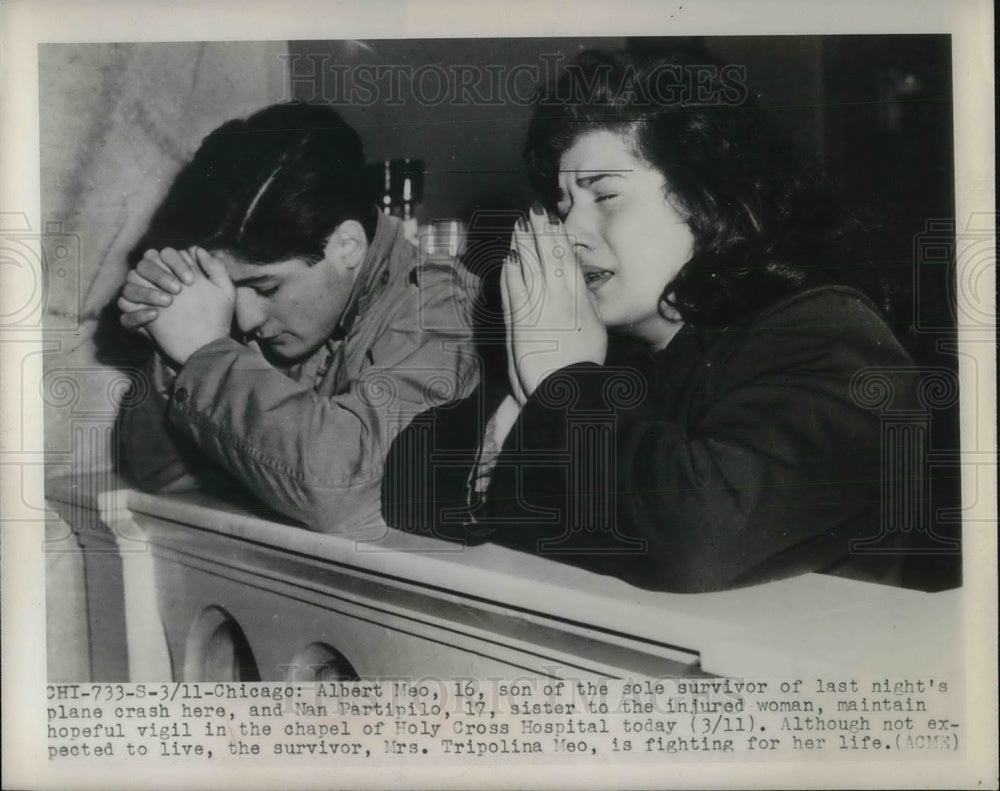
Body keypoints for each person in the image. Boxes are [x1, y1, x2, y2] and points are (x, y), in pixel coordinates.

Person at [382, 51, 919, 592]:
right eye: (564, 205)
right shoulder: (618, 354)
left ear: (706, 197)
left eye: (605, 196)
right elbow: (407, 479)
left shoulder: (832, 339)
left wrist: (562, 386)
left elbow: (696, 538)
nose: (571, 231)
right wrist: (531, 402)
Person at [117, 102, 479, 532]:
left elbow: (342, 495)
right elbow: (164, 475)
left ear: (346, 246)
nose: (245, 320)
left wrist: (206, 354)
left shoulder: (436, 306)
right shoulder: (295, 312)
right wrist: (174, 343)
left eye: (267, 288)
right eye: (231, 289)